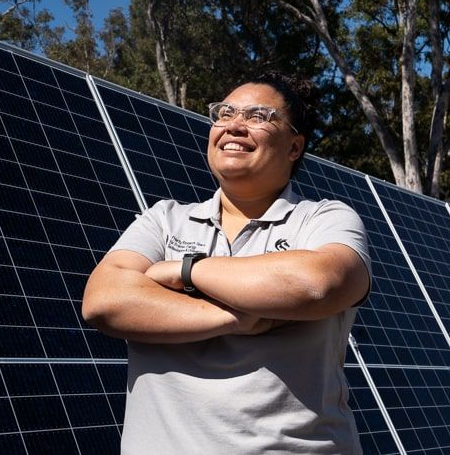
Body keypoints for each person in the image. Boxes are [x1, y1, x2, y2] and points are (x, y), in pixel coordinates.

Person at [82, 72, 372, 454]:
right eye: (224, 113)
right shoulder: (164, 218)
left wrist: (185, 270)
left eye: (259, 116)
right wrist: (240, 315)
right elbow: (104, 301)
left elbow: (318, 284)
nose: (234, 125)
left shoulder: (324, 219)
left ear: (294, 146)